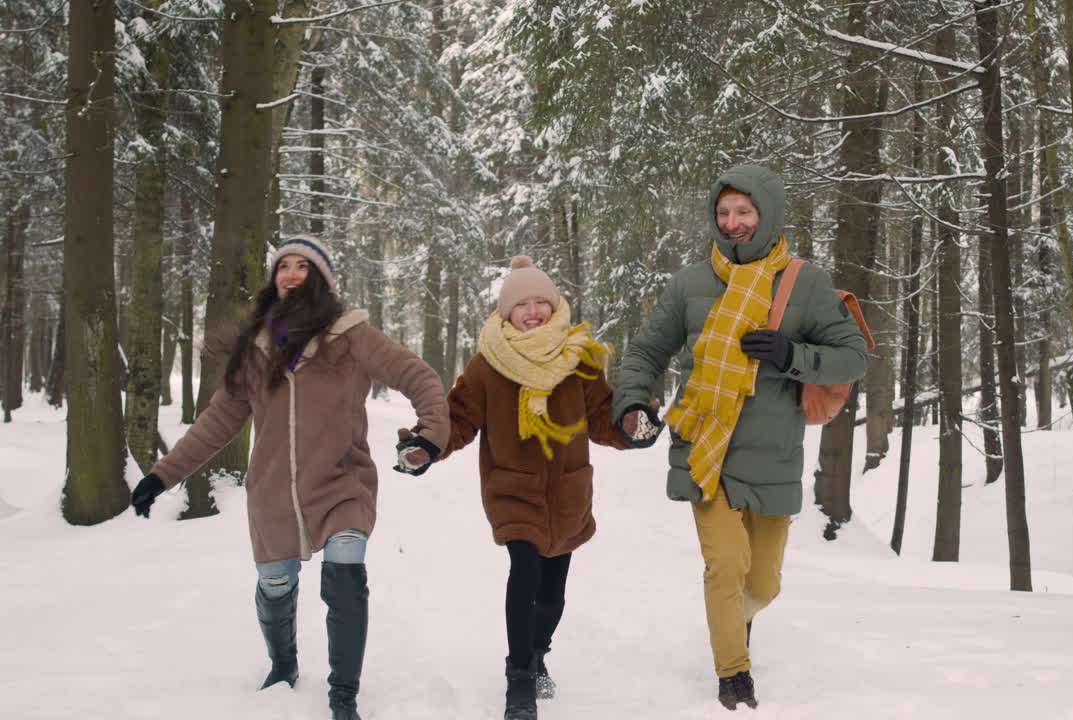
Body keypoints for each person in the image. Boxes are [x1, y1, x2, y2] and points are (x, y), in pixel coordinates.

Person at [129, 235, 449, 720]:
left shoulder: (351, 336)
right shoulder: (255, 349)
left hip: (343, 483)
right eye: (284, 267)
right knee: (276, 584)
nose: (292, 275)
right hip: (274, 493)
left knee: (345, 575)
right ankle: (283, 667)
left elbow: (419, 377)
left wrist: (427, 438)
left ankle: (343, 696)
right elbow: (217, 421)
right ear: (274, 279)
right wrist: (162, 475)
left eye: (304, 267)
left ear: (321, 279)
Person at [612, 165, 868, 710]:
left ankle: (737, 619)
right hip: (706, 446)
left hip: (774, 455)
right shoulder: (689, 282)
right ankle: (733, 672)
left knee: (764, 584)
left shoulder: (807, 282)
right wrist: (634, 400)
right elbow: (645, 352)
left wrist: (791, 355)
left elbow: (854, 355)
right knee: (725, 566)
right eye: (723, 213)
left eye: (744, 212)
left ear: (767, 214)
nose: (732, 223)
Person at [425, 255, 652, 720]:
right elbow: (461, 420)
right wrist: (427, 446)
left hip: (567, 491)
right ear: (506, 312)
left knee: (552, 596)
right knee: (524, 574)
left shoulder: (580, 360)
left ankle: (539, 651)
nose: (532, 311)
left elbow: (601, 418)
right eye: (521, 304)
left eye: (540, 302)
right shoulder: (488, 365)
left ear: (553, 305)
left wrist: (632, 428)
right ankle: (520, 681)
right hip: (513, 490)